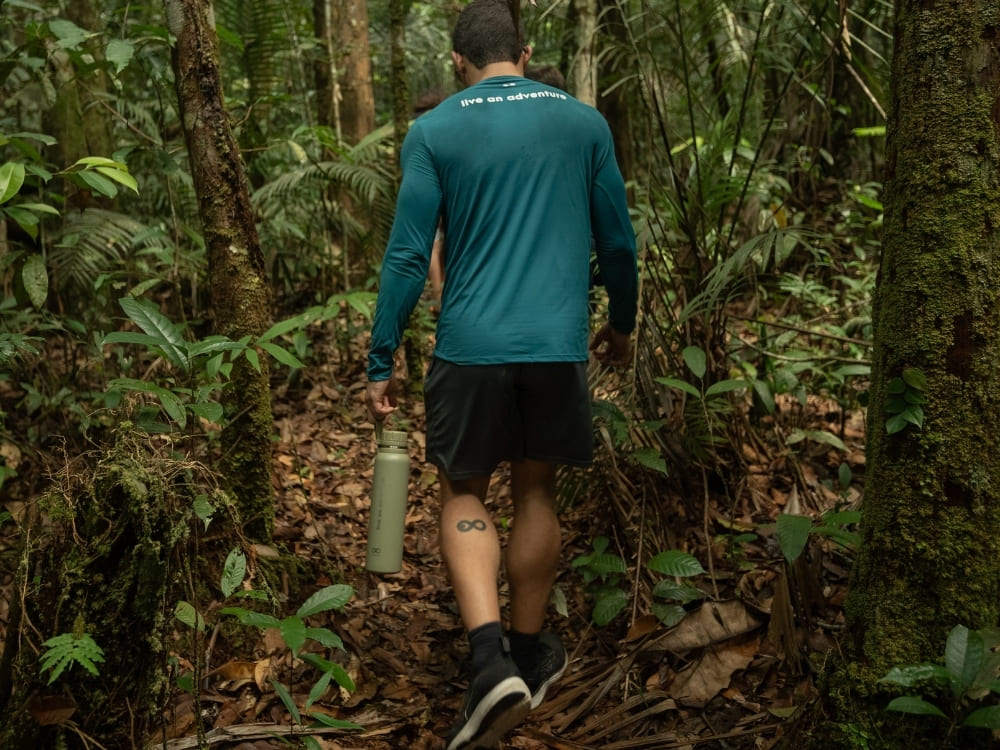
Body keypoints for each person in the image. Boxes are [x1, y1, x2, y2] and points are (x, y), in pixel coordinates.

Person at [365, 2, 638, 748]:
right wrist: (622, 322)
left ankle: (489, 664)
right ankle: (524, 651)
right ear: (525, 47)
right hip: (556, 348)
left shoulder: (434, 130)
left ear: (458, 61)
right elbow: (618, 240)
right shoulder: (584, 124)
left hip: (469, 348)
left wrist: (379, 355)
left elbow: (408, 256)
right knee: (537, 488)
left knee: (463, 489)